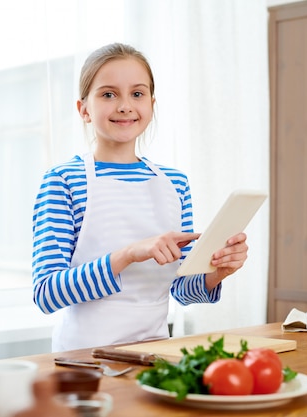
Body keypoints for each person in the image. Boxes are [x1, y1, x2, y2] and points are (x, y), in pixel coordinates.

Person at [32, 42, 249, 352]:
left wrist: (217, 273)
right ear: (84, 110)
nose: (125, 105)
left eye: (137, 93)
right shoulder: (64, 181)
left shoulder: (176, 184)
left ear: (151, 103)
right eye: (108, 94)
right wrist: (129, 254)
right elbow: (46, 294)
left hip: (155, 354)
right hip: (83, 359)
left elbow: (181, 290)